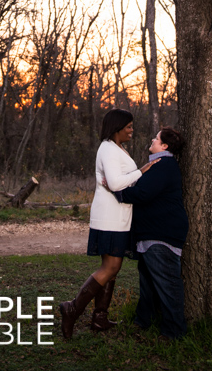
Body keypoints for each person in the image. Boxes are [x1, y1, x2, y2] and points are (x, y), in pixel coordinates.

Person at [59, 108, 159, 339]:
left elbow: (118, 182)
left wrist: (131, 178)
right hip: (110, 217)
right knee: (111, 267)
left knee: (113, 268)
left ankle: (99, 318)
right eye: (129, 126)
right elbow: (115, 183)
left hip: (118, 216)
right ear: (117, 128)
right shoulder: (108, 149)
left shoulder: (116, 148)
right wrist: (141, 171)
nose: (132, 130)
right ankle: (71, 308)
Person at [113, 127, 188, 340]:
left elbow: (143, 193)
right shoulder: (157, 165)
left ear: (164, 146)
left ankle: (174, 332)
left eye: (156, 138)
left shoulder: (164, 165)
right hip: (151, 234)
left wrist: (116, 191)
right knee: (148, 283)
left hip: (161, 234)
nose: (152, 139)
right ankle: (142, 321)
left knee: (167, 284)